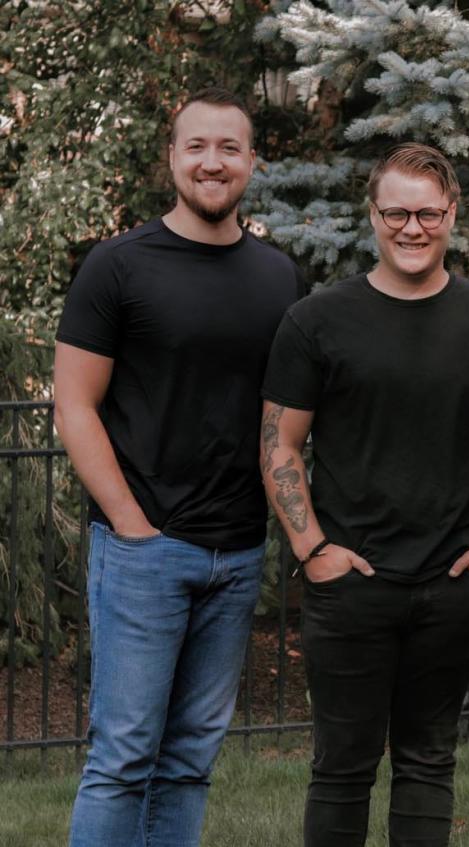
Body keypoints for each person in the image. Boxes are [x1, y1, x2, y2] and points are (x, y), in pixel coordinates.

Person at [259, 141, 469, 847]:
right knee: (343, 768)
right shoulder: (317, 320)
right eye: (396, 213)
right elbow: (279, 443)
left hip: (452, 582)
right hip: (350, 582)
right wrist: (311, 547)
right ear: (372, 216)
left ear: (451, 214)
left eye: (427, 213)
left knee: (427, 762)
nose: (412, 228)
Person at [54, 87, 304, 847]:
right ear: (171, 157)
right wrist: (132, 525)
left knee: (191, 758)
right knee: (124, 757)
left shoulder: (279, 277)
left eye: (230, 147)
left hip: (238, 552)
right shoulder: (118, 266)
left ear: (252, 162)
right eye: (197, 145)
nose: (212, 161)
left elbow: (281, 421)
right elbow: (74, 405)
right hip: (144, 552)